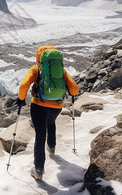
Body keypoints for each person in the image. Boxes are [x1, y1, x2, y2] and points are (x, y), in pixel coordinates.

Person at [16, 46, 79, 180]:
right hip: (57, 106)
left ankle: (38, 170)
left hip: (38, 106)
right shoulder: (61, 70)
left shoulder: (36, 69)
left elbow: (23, 86)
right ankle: (52, 149)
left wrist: (21, 99)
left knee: (40, 136)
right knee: (51, 123)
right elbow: (74, 89)